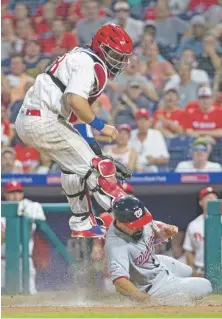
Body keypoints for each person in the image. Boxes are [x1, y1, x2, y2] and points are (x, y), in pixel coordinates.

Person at [15, 24, 133, 238]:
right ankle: (130, 219)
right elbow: (75, 101)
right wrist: (102, 127)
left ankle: (82, 223)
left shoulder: (80, 55)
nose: (119, 61)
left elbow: (76, 121)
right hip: (44, 119)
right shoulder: (90, 64)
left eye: (122, 57)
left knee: (74, 169)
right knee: (99, 169)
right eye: (114, 55)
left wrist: (96, 151)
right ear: (101, 48)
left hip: (32, 118)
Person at [105, 196, 212, 305]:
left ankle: (172, 287)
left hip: (153, 263)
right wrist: (146, 300)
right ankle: (163, 299)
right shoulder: (116, 245)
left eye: (141, 222)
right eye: (135, 225)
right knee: (206, 286)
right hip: (150, 284)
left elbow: (151, 228)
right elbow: (120, 282)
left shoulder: (138, 213)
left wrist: (162, 232)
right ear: (120, 222)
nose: (140, 226)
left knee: (187, 271)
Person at [1, 181, 46, 294]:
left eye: (18, 192)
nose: (15, 195)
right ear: (5, 194)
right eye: (11, 192)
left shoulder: (30, 208)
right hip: (2, 262)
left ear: (22, 194)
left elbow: (39, 221)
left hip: (24, 261)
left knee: (28, 296)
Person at [183, 187, 219, 276]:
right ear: (201, 202)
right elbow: (189, 251)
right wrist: (193, 271)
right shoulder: (194, 225)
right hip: (201, 271)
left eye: (214, 197)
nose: (211, 199)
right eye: (207, 197)